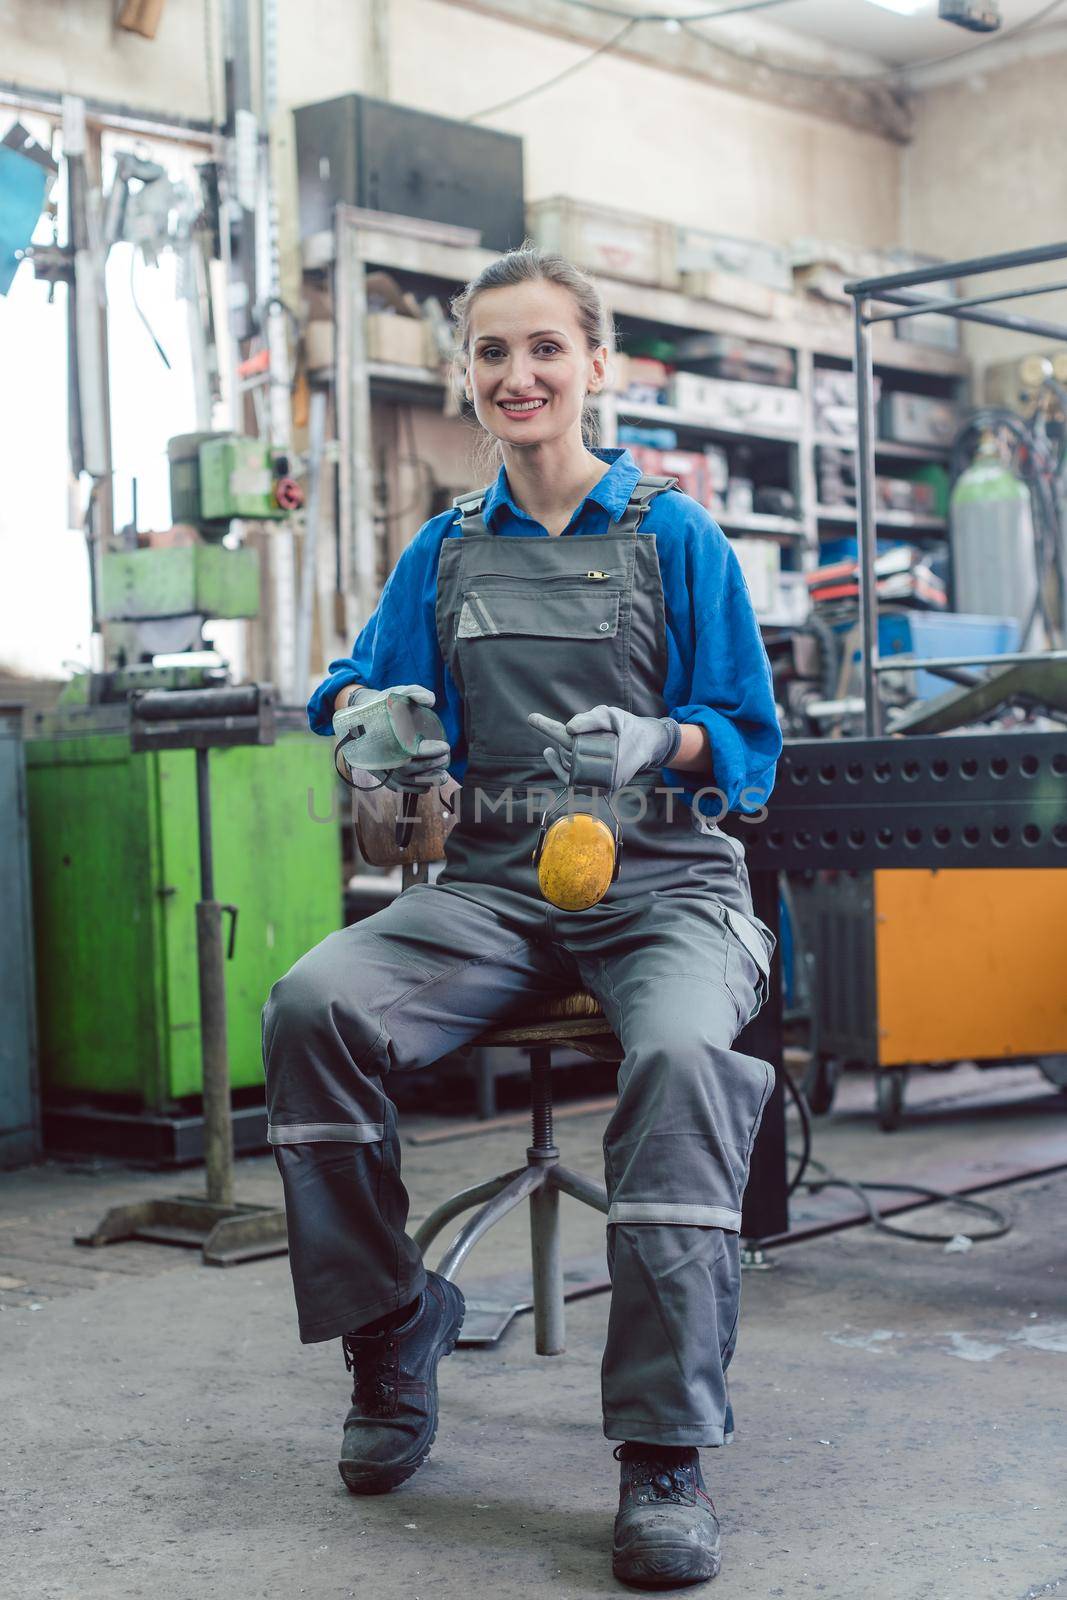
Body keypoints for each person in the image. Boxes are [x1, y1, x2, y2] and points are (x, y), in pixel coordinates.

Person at [262, 245, 782, 1590]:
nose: (518, 374)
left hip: (666, 878)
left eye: (545, 347)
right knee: (314, 1007)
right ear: (470, 375)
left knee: (680, 1064)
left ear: (595, 364)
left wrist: (666, 742)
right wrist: (365, 719)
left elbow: (754, 747)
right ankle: (393, 1328)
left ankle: (662, 1450)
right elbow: (355, 690)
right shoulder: (446, 550)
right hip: (495, 883)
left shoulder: (675, 535)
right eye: (493, 352)